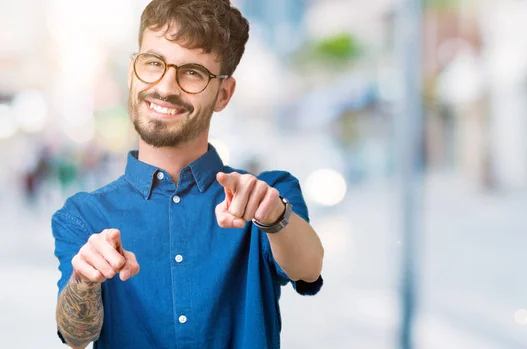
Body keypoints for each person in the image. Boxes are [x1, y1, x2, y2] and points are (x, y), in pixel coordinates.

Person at [51, 1, 325, 348]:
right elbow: (75, 336)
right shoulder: (83, 216)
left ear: (223, 94)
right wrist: (84, 279)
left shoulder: (268, 195)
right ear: (133, 71)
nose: (166, 87)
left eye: (192, 72)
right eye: (153, 63)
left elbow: (309, 267)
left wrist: (273, 215)